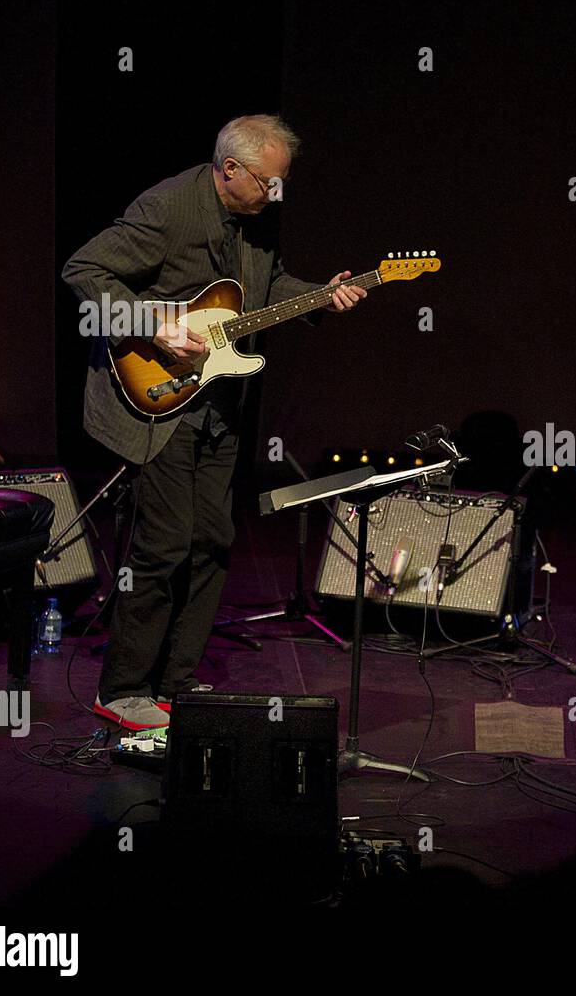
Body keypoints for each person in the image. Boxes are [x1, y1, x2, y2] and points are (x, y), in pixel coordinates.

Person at [62, 114, 366, 730]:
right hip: (157, 404)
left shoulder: (256, 219)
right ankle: (121, 689)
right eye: (268, 182)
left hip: (218, 407)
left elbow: (266, 286)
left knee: (213, 543)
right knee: (164, 545)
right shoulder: (170, 206)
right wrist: (155, 323)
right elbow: (84, 270)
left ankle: (175, 682)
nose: (276, 193)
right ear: (230, 169)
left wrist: (320, 296)